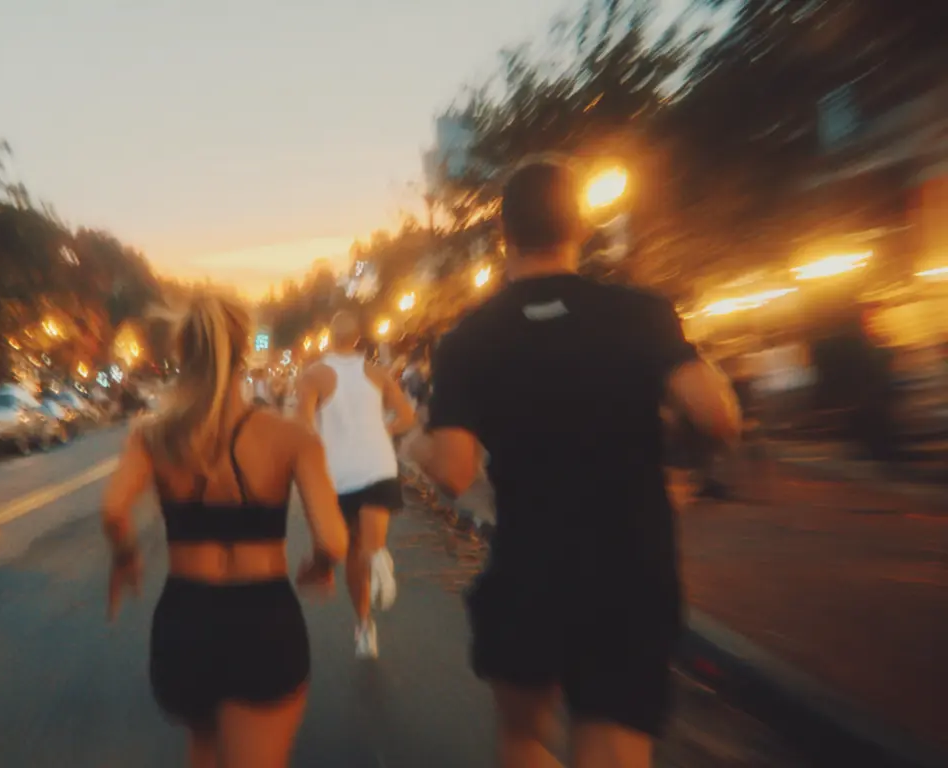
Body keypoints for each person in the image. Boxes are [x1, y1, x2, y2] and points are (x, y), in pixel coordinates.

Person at [404, 159, 740, 768]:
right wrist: (685, 465)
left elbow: (453, 471)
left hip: (531, 569)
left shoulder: (470, 339)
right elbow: (716, 416)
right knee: (613, 743)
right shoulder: (642, 315)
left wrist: (411, 441)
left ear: (503, 235)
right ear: (579, 227)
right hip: (632, 572)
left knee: (524, 740)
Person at [102, 293, 349, 768]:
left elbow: (113, 509)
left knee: (204, 752)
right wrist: (319, 568)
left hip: (185, 616)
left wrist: (126, 557)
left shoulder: (151, 435)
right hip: (263, 618)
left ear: (182, 354)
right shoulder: (291, 437)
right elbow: (334, 541)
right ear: (241, 354)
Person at [294, 313, 417, 659]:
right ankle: (379, 557)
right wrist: (383, 432)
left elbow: (303, 428)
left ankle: (364, 627)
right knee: (369, 545)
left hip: (339, 475)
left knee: (352, 555)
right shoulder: (377, 373)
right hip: (379, 466)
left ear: (329, 339)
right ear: (359, 339)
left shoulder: (313, 375)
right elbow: (407, 416)